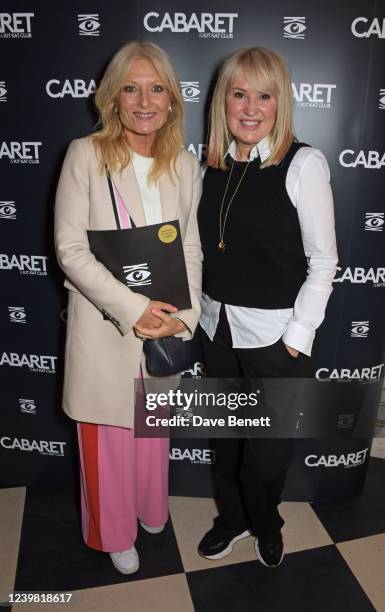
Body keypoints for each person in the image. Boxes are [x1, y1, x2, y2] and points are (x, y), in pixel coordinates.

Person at [54, 41, 202, 574]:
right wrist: (133, 307)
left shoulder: (185, 166)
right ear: (112, 98)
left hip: (164, 325)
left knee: (151, 428)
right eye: (131, 88)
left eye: (156, 88)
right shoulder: (85, 155)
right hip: (105, 327)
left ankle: (147, 509)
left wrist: (183, 317)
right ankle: (113, 531)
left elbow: (189, 247)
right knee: (108, 435)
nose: (144, 100)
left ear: (172, 100)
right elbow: (70, 250)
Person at [197, 47, 338, 567]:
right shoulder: (207, 165)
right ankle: (232, 518)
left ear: (282, 103)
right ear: (223, 102)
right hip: (218, 331)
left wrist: (298, 337)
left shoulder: (304, 164)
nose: (250, 107)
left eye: (264, 95)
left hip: (278, 337)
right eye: (239, 94)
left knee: (268, 450)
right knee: (226, 440)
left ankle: (266, 522)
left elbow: (324, 262)